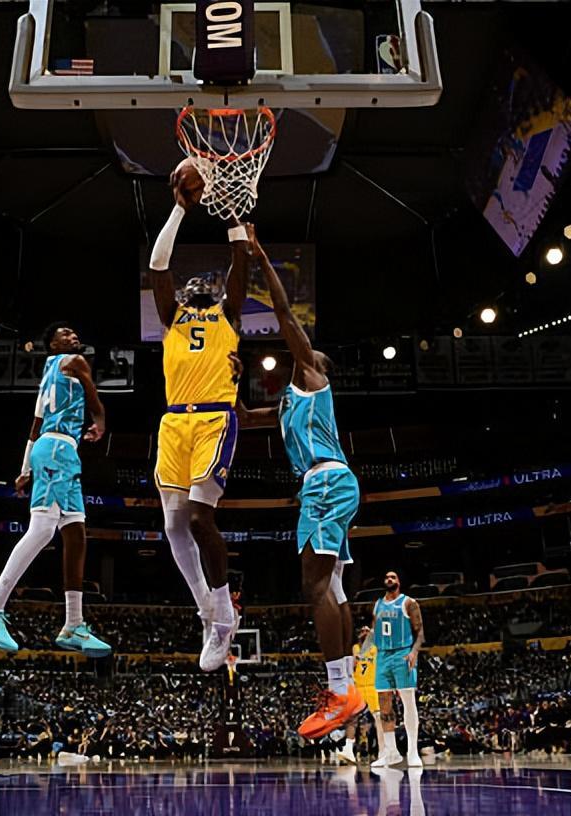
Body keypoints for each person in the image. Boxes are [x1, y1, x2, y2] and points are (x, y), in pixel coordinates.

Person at [234, 224, 364, 738]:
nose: (304, 358)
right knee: (333, 586)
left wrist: (262, 260)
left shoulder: (311, 378)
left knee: (313, 585)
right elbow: (244, 417)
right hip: (331, 485)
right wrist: (229, 377)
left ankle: (339, 691)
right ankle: (347, 684)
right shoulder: (289, 404)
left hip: (325, 483)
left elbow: (286, 315)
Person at [147, 180, 251, 670]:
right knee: (171, 523)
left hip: (214, 417)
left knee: (197, 518)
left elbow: (240, 262)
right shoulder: (172, 316)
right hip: (174, 422)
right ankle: (207, 611)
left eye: (204, 284)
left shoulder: (229, 314)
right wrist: (178, 210)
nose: (197, 286)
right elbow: (158, 265)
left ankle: (225, 609)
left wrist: (233, 214)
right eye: (191, 285)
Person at [0, 322, 112, 658]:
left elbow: (34, 428)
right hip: (58, 450)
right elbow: (92, 392)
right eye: (65, 334)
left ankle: (73, 623)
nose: (73, 336)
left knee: (75, 532)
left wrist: (24, 470)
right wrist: (101, 419)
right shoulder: (74, 361)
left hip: (57, 452)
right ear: (53, 345)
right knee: (43, 529)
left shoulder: (49, 374)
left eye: (75, 332)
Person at [367, 571, 425, 768]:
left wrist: (414, 652)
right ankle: (391, 753)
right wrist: (367, 641)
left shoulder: (408, 603)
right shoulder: (377, 604)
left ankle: (412, 752)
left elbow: (420, 631)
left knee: (408, 701)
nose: (389, 579)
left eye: (393, 577)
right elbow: (375, 630)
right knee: (384, 703)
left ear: (399, 581)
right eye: (386, 577)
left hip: (402, 653)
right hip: (382, 655)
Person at [338, 626, 386, 764]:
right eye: (362, 631)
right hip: (358, 687)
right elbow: (351, 666)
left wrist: (372, 633)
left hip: (372, 687)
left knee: (378, 720)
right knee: (352, 718)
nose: (364, 633)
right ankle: (348, 749)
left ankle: (383, 752)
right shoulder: (355, 648)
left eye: (367, 631)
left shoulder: (376, 647)